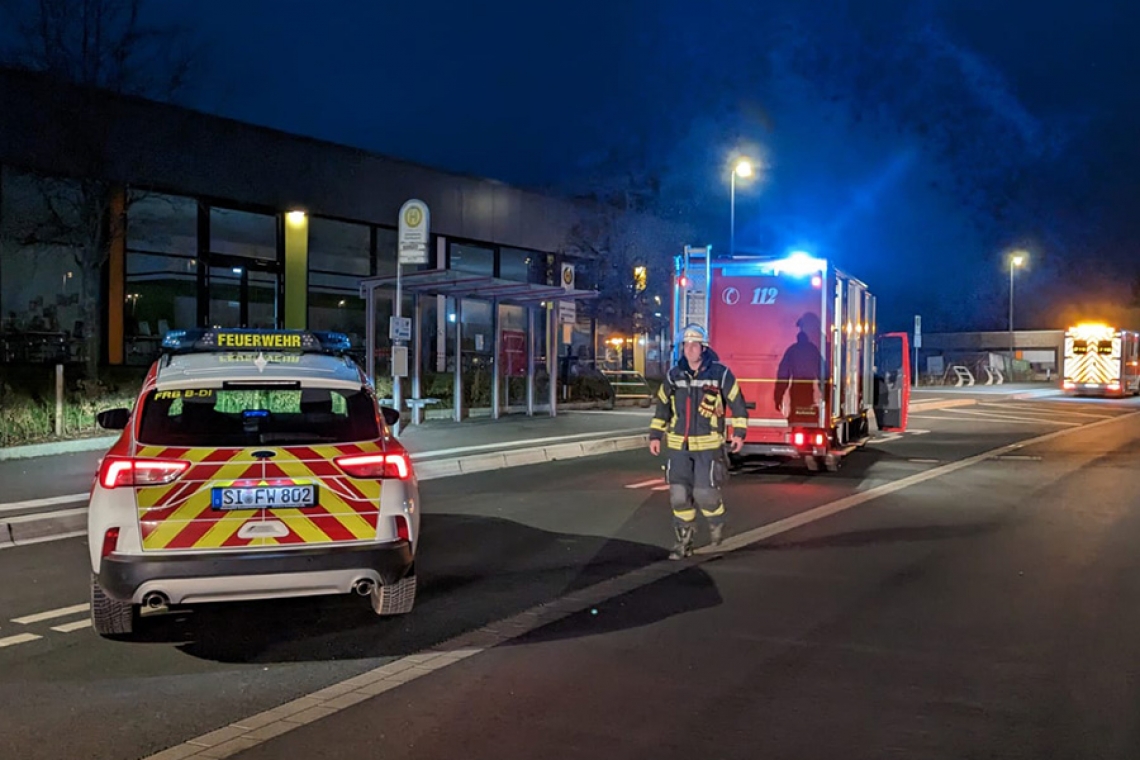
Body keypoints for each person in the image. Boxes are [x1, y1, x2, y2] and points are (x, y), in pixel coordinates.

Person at [649, 324, 748, 559]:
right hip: (678, 447)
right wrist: (655, 435)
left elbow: (737, 403)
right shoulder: (674, 375)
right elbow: (662, 407)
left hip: (708, 447)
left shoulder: (720, 374)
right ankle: (683, 542)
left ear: (703, 348)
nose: (690, 349)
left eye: (694, 345)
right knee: (679, 496)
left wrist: (739, 432)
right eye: (686, 345)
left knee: (705, 494)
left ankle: (717, 521)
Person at [773, 312, 826, 424]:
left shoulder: (792, 350)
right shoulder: (814, 350)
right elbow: (823, 372)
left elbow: (783, 375)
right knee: (810, 418)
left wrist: (778, 396)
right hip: (809, 389)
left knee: (796, 419)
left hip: (796, 389)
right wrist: (827, 395)